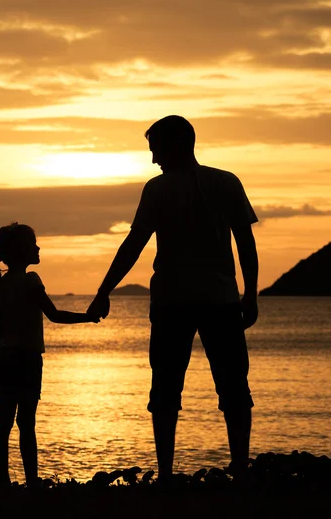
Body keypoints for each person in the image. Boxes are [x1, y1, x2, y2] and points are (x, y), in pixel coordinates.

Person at [88, 115, 259, 482]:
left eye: (156, 150)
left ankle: (167, 474)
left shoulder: (160, 189)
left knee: (168, 387)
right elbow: (246, 243)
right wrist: (251, 293)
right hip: (218, 299)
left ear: (177, 145)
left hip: (175, 301)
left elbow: (134, 244)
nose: (153, 160)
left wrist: (104, 291)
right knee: (231, 386)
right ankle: (239, 469)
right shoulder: (226, 182)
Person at [0, 222, 100, 487]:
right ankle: (31, 480)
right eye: (32, 244)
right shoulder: (31, 280)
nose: (38, 248)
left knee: (4, 421)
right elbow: (55, 315)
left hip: (5, 359)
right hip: (26, 360)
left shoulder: (1, 285)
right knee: (26, 423)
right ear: (20, 251)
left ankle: (2, 478)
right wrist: (88, 317)